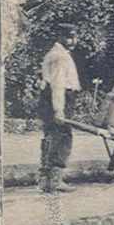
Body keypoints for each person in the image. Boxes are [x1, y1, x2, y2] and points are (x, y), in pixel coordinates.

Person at [37, 23, 81, 193]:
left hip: (53, 99)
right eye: (70, 37)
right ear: (60, 37)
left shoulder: (58, 54)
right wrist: (59, 110)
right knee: (62, 137)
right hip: (58, 99)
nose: (74, 40)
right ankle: (54, 180)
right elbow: (57, 85)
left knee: (51, 136)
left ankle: (46, 181)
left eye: (74, 36)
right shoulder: (59, 57)